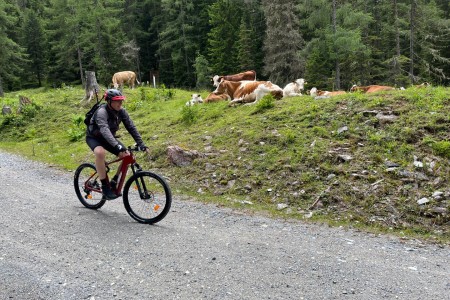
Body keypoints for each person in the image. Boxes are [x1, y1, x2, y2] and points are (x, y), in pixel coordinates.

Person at [86, 89, 148, 200]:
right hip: (94, 138)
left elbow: (131, 127)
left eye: (121, 101)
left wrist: (141, 143)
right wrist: (116, 145)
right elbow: (104, 130)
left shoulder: (121, 111)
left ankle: (114, 181)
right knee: (100, 153)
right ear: (109, 101)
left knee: (128, 156)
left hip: (109, 139)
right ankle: (105, 187)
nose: (120, 103)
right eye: (117, 101)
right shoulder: (101, 112)